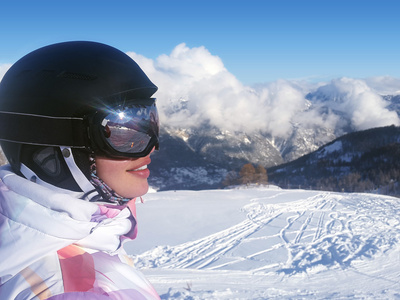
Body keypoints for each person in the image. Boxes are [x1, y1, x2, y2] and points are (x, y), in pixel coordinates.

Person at [0, 41, 161, 299]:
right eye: (120, 131)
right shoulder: (80, 289)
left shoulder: (78, 235)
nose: (151, 148)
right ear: (52, 154)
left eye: (149, 123)